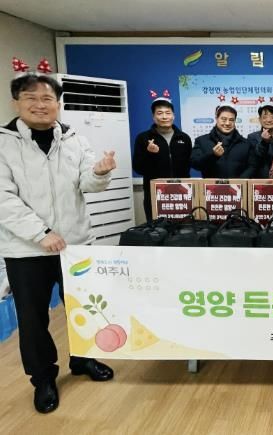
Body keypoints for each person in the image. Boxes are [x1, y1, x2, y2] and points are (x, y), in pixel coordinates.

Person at [0, 73, 117, 413]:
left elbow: (87, 183)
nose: (40, 104)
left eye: (47, 98)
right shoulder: (4, 143)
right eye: (31, 98)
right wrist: (41, 234)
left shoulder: (74, 139)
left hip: (75, 245)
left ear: (58, 103)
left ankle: (84, 359)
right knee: (33, 318)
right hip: (26, 250)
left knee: (85, 307)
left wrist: (100, 172)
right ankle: (43, 379)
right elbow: (4, 200)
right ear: (16, 103)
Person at [132, 96, 192, 221]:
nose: (164, 117)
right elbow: (138, 168)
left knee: (183, 227)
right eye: (159, 113)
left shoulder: (184, 138)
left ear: (173, 116)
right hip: (155, 193)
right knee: (156, 228)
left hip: (181, 192)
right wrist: (149, 153)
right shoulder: (143, 138)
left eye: (168, 113)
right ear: (153, 117)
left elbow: (188, 166)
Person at [190, 105, 257, 178]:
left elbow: (252, 166)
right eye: (224, 119)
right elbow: (195, 164)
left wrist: (240, 181)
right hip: (211, 185)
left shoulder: (246, 144)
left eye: (231, 120)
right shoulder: (201, 141)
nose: (227, 123)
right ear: (216, 118)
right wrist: (213, 155)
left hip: (239, 185)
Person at [248, 104, 273, 178]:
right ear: (260, 119)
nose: (269, 120)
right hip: (260, 180)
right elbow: (254, 160)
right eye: (265, 117)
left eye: (272, 117)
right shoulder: (252, 137)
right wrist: (264, 142)